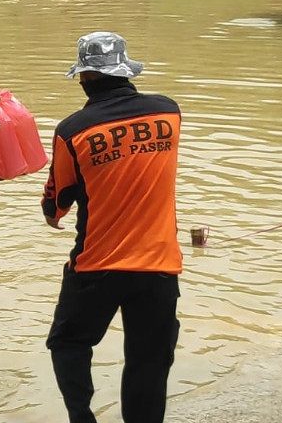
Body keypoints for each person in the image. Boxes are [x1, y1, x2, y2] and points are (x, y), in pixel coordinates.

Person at [41, 31, 182, 423]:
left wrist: (54, 209)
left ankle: (82, 419)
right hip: (159, 266)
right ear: (126, 70)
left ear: (84, 77)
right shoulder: (169, 114)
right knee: (149, 360)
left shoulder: (72, 131)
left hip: (97, 266)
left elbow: (56, 204)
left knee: (68, 343)